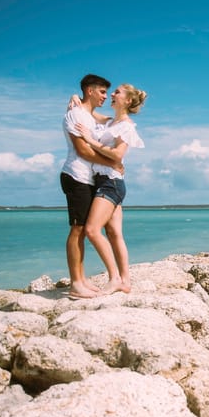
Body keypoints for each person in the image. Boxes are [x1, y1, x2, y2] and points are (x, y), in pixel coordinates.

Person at [75, 83, 147, 295]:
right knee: (114, 233)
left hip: (111, 183)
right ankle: (125, 281)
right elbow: (88, 111)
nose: (111, 95)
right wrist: (75, 98)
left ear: (128, 101)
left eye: (117, 92)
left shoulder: (126, 126)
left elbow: (117, 155)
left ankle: (114, 278)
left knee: (91, 230)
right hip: (105, 181)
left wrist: (90, 140)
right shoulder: (110, 121)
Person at [60, 74, 121, 299]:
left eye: (108, 92)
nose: (106, 96)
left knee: (83, 229)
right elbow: (83, 151)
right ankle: (76, 283)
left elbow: (109, 119)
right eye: (102, 91)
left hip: (87, 178)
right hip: (75, 176)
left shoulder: (88, 115)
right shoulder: (76, 115)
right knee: (78, 229)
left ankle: (82, 278)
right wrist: (114, 163)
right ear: (90, 91)